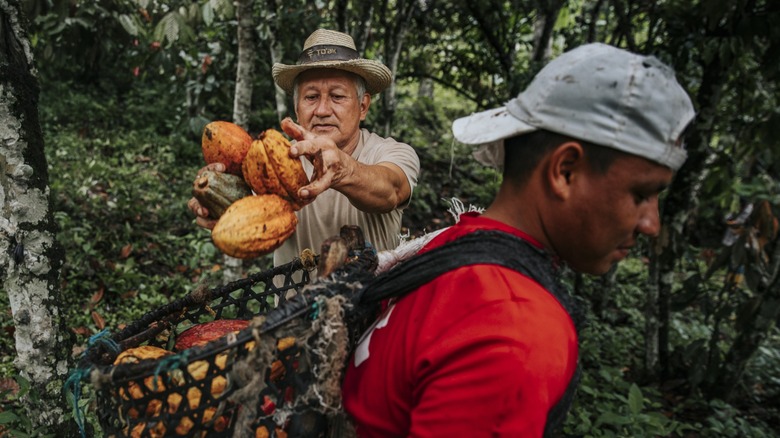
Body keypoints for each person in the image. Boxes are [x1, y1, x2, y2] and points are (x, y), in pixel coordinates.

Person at [341, 42, 696, 437]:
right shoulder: (514, 330)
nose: (652, 224)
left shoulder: (456, 244)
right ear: (565, 171)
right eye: (642, 194)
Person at [189, 29, 420, 270]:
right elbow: (250, 213)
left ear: (363, 106)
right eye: (311, 97)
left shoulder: (391, 152)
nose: (322, 110)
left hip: (376, 305)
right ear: (297, 108)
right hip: (292, 308)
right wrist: (217, 195)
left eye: (337, 96)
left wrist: (341, 170)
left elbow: (390, 190)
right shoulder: (273, 159)